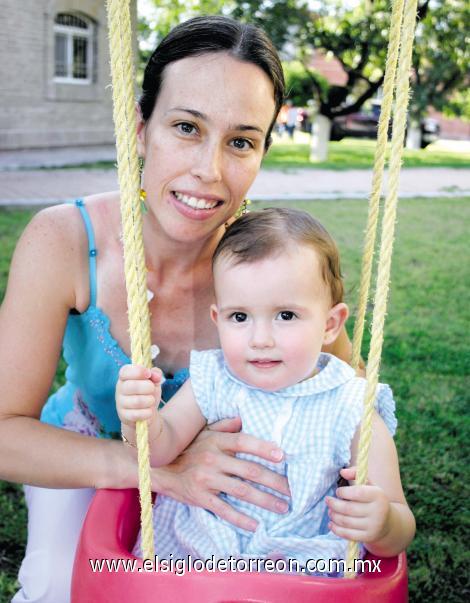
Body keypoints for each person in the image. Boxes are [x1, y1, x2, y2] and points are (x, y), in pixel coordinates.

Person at [0, 16, 358, 602]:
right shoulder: (64, 240)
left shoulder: (265, 271)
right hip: (89, 454)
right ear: (141, 129)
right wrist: (163, 471)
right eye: (187, 127)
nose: (209, 171)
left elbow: (348, 384)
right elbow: (5, 433)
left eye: (240, 141)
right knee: (56, 585)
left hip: (227, 477)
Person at [117, 208, 415, 570]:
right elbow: (158, 452)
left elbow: (400, 527)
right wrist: (139, 418)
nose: (260, 340)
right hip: (196, 552)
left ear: (330, 324)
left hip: (297, 568)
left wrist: (382, 523)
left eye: (286, 315)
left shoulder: (351, 406)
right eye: (239, 317)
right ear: (218, 319)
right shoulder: (214, 378)